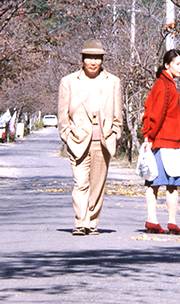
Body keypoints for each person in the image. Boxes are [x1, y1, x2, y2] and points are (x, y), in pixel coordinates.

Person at [57, 39, 123, 236]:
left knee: (97, 185)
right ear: (82, 59)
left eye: (97, 58)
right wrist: (67, 135)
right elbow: (62, 115)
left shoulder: (113, 82)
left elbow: (118, 115)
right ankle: (80, 222)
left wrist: (115, 133)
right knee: (80, 183)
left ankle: (92, 223)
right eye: (89, 58)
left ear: (102, 60)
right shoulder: (68, 81)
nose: (93, 62)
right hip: (77, 140)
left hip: (103, 140)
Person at [141, 49, 180, 235]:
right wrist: (149, 137)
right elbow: (155, 113)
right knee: (167, 183)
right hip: (163, 141)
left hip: (165, 141)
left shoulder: (166, 83)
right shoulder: (164, 85)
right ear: (167, 65)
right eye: (178, 63)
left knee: (157, 182)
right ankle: (166, 221)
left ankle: (158, 221)